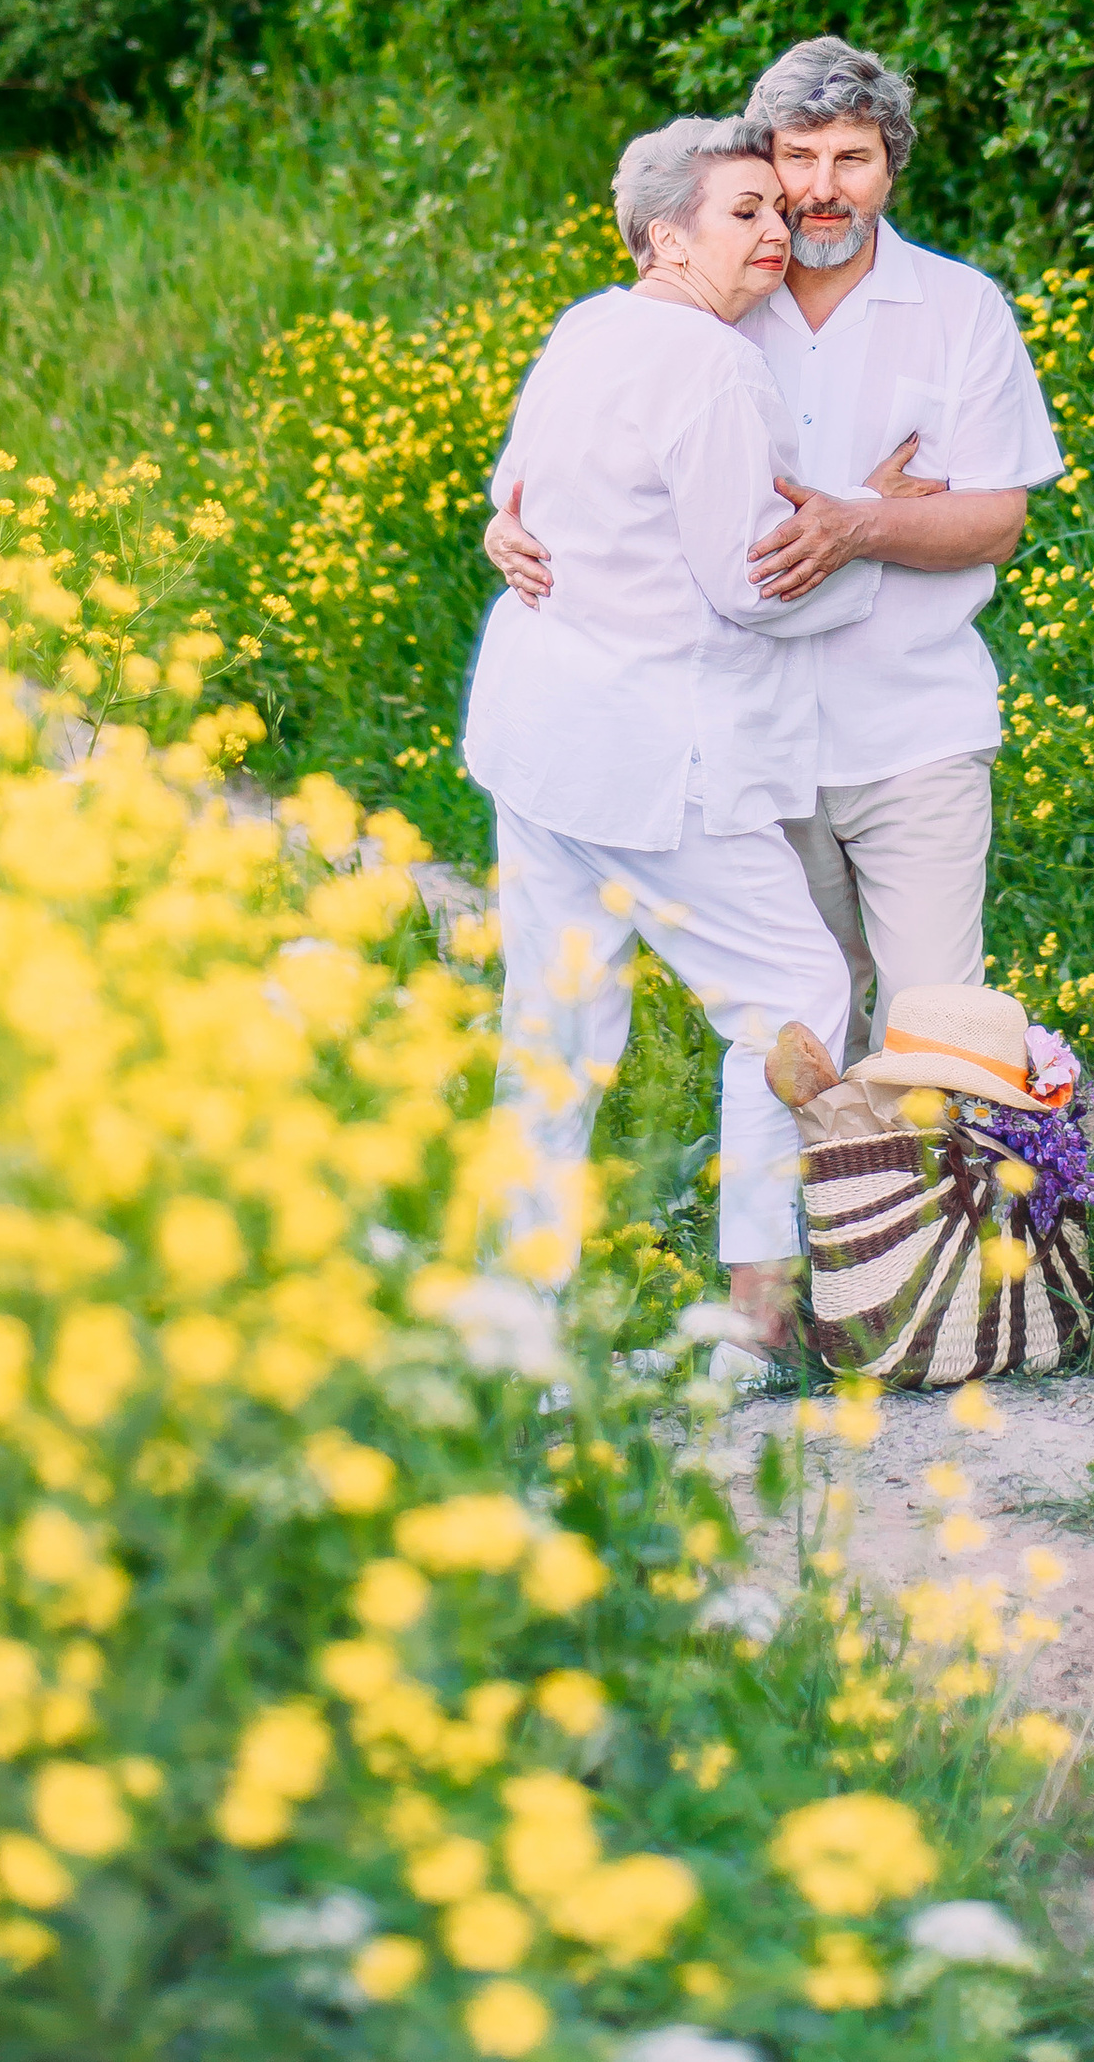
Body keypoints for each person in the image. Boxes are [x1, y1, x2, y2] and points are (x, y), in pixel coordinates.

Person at [486, 37, 1062, 1064]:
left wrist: (859, 525)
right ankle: (810, 1224)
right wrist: (514, 522)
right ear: (767, 161)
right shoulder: (722, 291)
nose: (820, 190)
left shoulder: (960, 311)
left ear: (892, 166)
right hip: (752, 740)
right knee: (799, 1028)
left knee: (933, 1028)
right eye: (798, 159)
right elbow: (591, 444)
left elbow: (996, 519)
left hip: (910, 727)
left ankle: (923, 1225)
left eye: (853, 159)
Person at [463, 116, 864, 1351]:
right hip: (651, 754)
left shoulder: (590, 326)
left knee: (556, 1030)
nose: (773, 230)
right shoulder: (710, 365)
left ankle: (508, 1321)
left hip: (540, 733)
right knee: (793, 995)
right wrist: (858, 550)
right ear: (661, 236)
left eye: (773, 210)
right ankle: (760, 1310)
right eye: (740, 212)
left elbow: (516, 488)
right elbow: (748, 583)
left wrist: (503, 526)